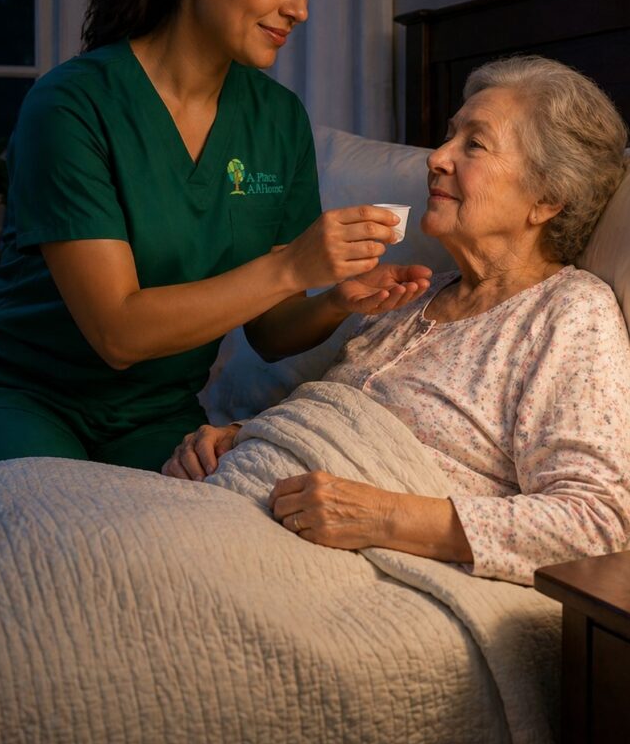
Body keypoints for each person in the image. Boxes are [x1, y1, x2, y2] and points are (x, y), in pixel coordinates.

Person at [0, 0, 431, 472]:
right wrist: (289, 267)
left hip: (158, 415)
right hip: (25, 397)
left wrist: (336, 298)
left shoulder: (277, 121)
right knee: (54, 526)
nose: (299, 8)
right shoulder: (70, 106)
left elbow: (270, 330)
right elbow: (118, 332)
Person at [164, 55, 630, 584]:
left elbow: (595, 524)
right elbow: (333, 430)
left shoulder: (570, 313)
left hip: (335, 564)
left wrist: (382, 516)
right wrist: (237, 437)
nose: (438, 157)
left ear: (546, 200)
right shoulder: (413, 293)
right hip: (236, 494)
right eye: (449, 136)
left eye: (473, 144)